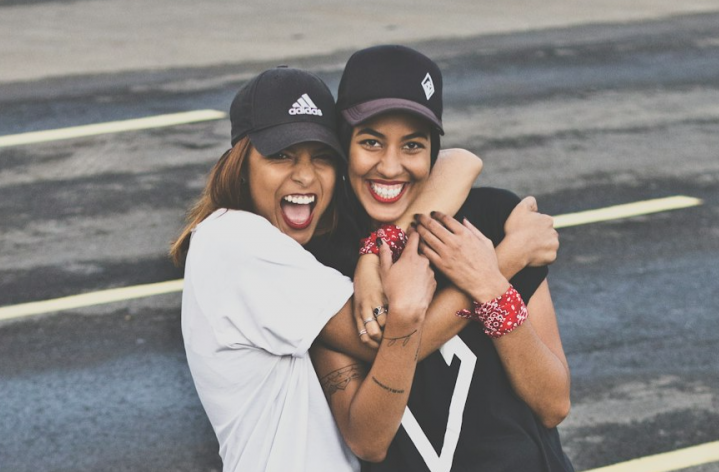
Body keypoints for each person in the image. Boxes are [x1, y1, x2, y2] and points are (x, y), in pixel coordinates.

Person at [170, 66, 484, 472]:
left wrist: (376, 249)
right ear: (241, 164)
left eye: (322, 157)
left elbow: (460, 162)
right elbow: (387, 339)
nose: (305, 175)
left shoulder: (250, 243)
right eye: (281, 155)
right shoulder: (238, 242)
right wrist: (490, 274)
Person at [308, 45, 574, 471]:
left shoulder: (492, 220)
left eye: (412, 145)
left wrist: (492, 286)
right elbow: (367, 439)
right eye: (371, 142)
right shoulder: (318, 262)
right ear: (343, 144)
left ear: (433, 151)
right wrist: (500, 266)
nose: (390, 167)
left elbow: (553, 403)